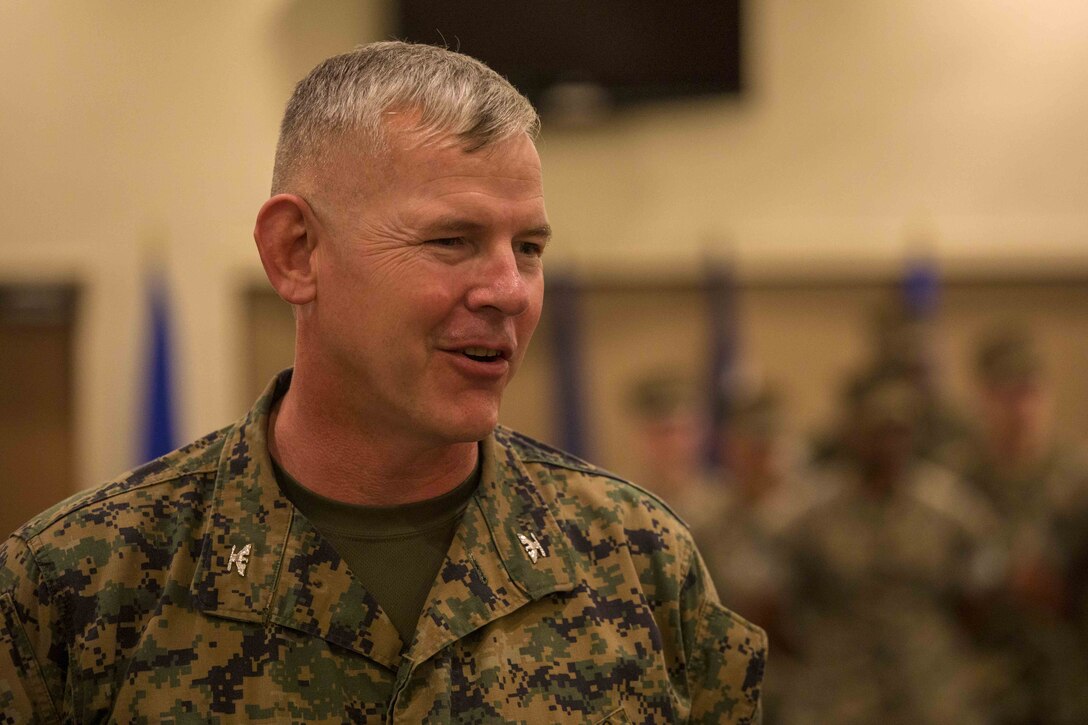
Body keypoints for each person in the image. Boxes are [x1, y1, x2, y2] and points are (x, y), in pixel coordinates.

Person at [0, 42, 765, 722]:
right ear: (296, 252)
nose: (510, 289)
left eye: (528, 246)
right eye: (451, 240)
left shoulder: (637, 559)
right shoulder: (83, 586)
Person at [779, 369, 998, 724]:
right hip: (838, 692)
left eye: (899, 432)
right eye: (876, 433)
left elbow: (983, 590)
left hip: (931, 690)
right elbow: (777, 597)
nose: (888, 444)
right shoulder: (811, 511)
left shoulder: (950, 506)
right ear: (853, 435)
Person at [962, 326, 1088, 724]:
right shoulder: (956, 482)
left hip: (1065, 671)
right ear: (982, 398)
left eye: (1030, 393)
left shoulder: (1076, 480)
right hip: (983, 671)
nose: (1020, 409)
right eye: (1005, 394)